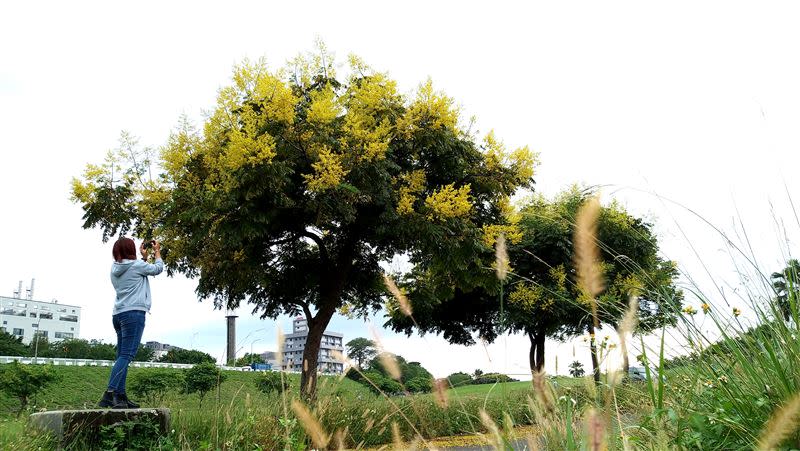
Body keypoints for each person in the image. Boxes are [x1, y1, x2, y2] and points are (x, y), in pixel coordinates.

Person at [98, 237, 163, 409]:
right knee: (127, 356)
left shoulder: (114, 269)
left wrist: (143, 258)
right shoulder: (136, 266)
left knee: (122, 356)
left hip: (118, 314)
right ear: (131, 249)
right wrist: (156, 252)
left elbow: (135, 272)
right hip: (134, 314)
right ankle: (110, 393)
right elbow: (158, 268)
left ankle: (120, 396)